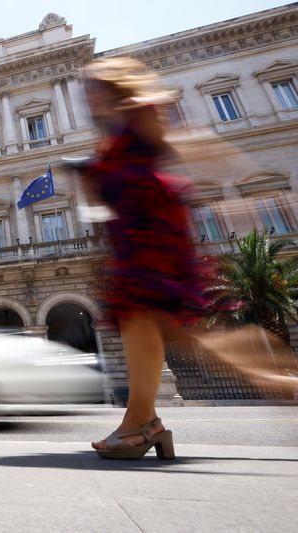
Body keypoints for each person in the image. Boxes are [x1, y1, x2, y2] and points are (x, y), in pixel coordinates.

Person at [77, 57, 297, 460]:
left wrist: (247, 196)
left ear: (112, 89)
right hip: (135, 230)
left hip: (150, 227)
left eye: (92, 86)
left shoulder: (139, 114)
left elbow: (196, 146)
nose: (86, 95)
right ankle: (143, 422)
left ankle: (142, 424)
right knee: (152, 324)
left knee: (156, 323)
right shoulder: (112, 133)